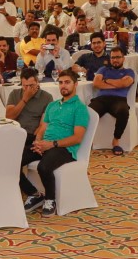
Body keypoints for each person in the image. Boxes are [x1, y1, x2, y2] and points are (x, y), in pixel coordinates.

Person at [21, 71, 90, 213]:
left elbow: (77, 137)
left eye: (67, 82)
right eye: (61, 82)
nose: (63, 86)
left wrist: (52, 144)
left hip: (64, 148)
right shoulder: (52, 105)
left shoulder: (80, 108)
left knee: (43, 167)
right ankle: (34, 194)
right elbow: (42, 128)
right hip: (45, 145)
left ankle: (50, 199)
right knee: (12, 161)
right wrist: (38, 142)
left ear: (76, 84)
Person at [6, 69, 53, 199]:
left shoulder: (47, 97)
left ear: (37, 82)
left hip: (32, 137)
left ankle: (32, 193)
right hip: (14, 135)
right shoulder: (15, 94)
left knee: (12, 160)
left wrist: (36, 139)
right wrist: (25, 99)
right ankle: (29, 192)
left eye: (31, 85)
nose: (27, 89)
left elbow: (43, 125)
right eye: (25, 86)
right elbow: (9, 117)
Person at [88, 47, 136, 155]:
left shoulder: (129, 72)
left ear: (123, 58)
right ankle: (87, 140)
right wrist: (117, 84)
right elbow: (96, 83)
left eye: (118, 57)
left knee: (123, 111)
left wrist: (106, 80)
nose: (115, 60)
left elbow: (125, 83)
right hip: (101, 99)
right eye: (113, 58)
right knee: (88, 112)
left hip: (119, 100)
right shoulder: (103, 69)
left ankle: (116, 141)